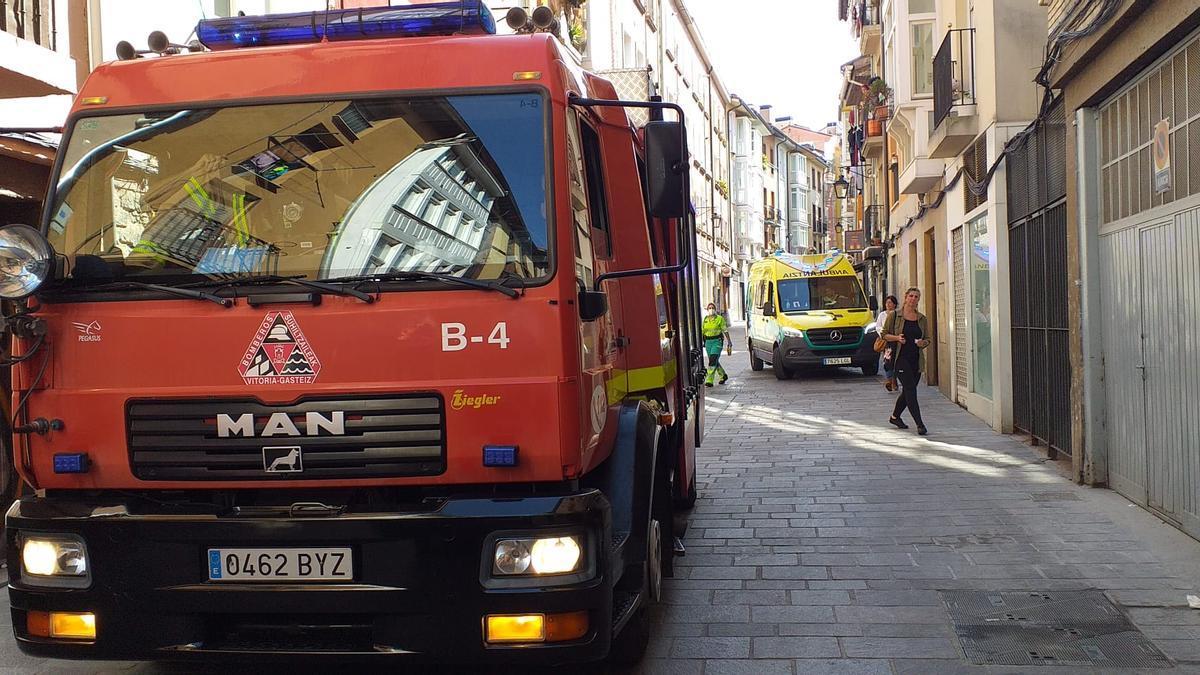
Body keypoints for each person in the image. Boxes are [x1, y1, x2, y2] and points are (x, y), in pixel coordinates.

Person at [882, 287, 931, 435]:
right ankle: (920, 424)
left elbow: (928, 338)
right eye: (911, 296)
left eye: (916, 297)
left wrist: (923, 343)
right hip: (899, 358)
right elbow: (884, 334)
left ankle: (895, 417)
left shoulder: (922, 319)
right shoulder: (895, 316)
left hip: (916, 359)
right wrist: (897, 338)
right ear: (905, 297)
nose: (913, 299)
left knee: (907, 392)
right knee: (911, 389)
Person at [703, 303, 732, 386]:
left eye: (712, 308)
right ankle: (723, 375)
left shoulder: (719, 319)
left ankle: (709, 380)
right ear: (707, 309)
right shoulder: (705, 319)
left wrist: (729, 341)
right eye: (709, 308)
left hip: (717, 341)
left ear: (715, 309)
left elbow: (725, 330)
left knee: (712, 359)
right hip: (708, 342)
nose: (711, 309)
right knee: (714, 360)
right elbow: (703, 331)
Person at [876, 294, 899, 392]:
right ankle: (890, 381)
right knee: (887, 361)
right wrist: (884, 334)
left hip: (897, 342)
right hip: (887, 344)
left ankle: (894, 380)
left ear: (894, 304)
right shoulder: (882, 315)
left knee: (896, 362)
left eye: (890, 302)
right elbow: (878, 327)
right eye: (887, 302)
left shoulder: (898, 315)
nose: (888, 304)